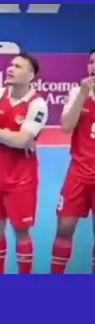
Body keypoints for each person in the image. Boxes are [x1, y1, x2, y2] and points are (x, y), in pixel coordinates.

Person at [0, 52, 48, 275]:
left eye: (18, 66)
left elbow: (21, 140)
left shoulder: (38, 104)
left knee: (21, 231)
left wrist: (0, 133)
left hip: (22, 178)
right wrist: (14, 137)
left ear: (30, 75)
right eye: (10, 65)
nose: (10, 69)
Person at [51, 50, 95, 273]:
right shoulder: (78, 92)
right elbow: (66, 126)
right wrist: (83, 94)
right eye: (92, 62)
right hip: (78, 173)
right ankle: (56, 283)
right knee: (64, 229)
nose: (94, 67)